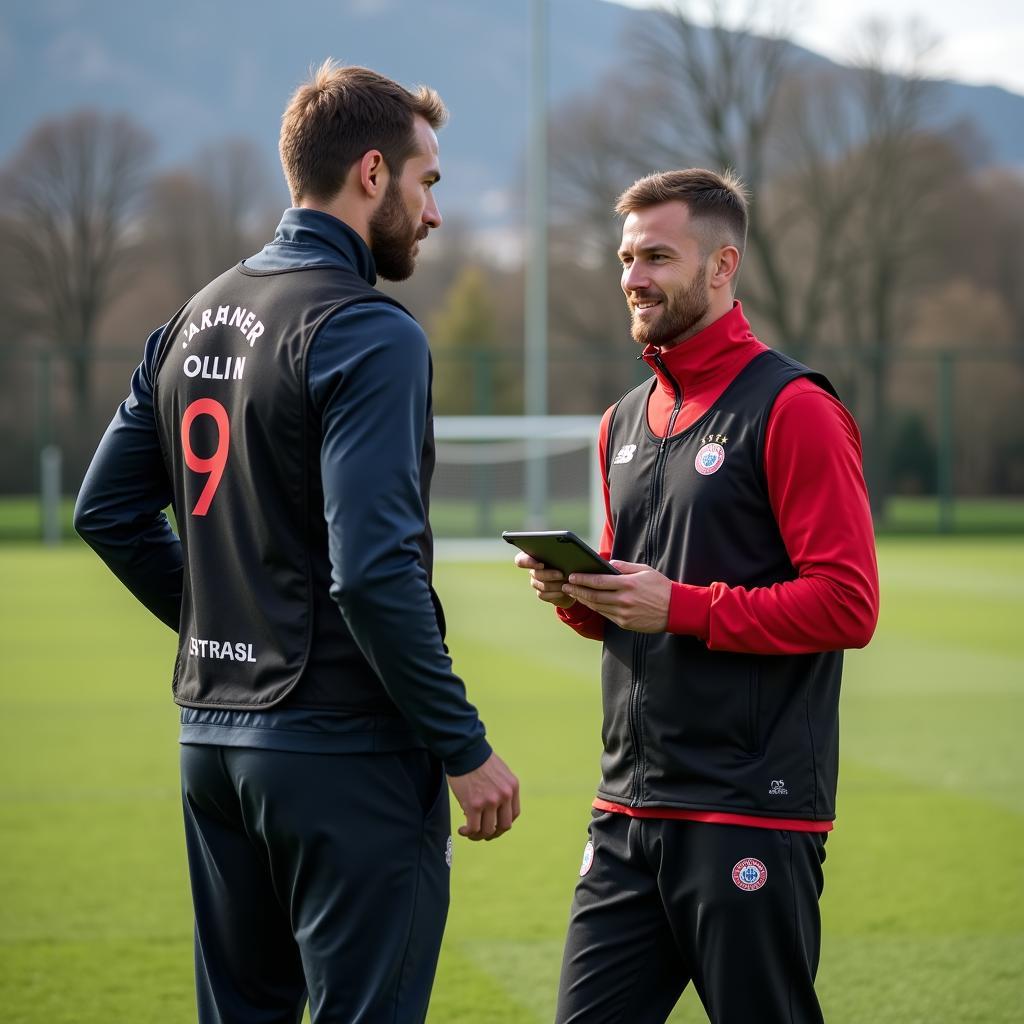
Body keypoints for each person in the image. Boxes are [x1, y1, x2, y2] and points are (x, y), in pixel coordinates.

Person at [75, 60, 519, 1024]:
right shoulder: (367, 331)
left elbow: (104, 511)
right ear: (372, 174)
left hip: (212, 746)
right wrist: (462, 746)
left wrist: (229, 625)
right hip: (342, 755)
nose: (434, 212)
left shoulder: (187, 323)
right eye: (427, 181)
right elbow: (370, 573)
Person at [515, 168, 879, 1024]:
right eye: (626, 256)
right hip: (626, 810)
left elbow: (847, 605)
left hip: (749, 812)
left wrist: (681, 605)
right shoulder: (623, 421)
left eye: (656, 257)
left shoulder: (794, 408)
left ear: (722, 267)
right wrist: (577, 593)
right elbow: (635, 595)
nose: (632, 277)